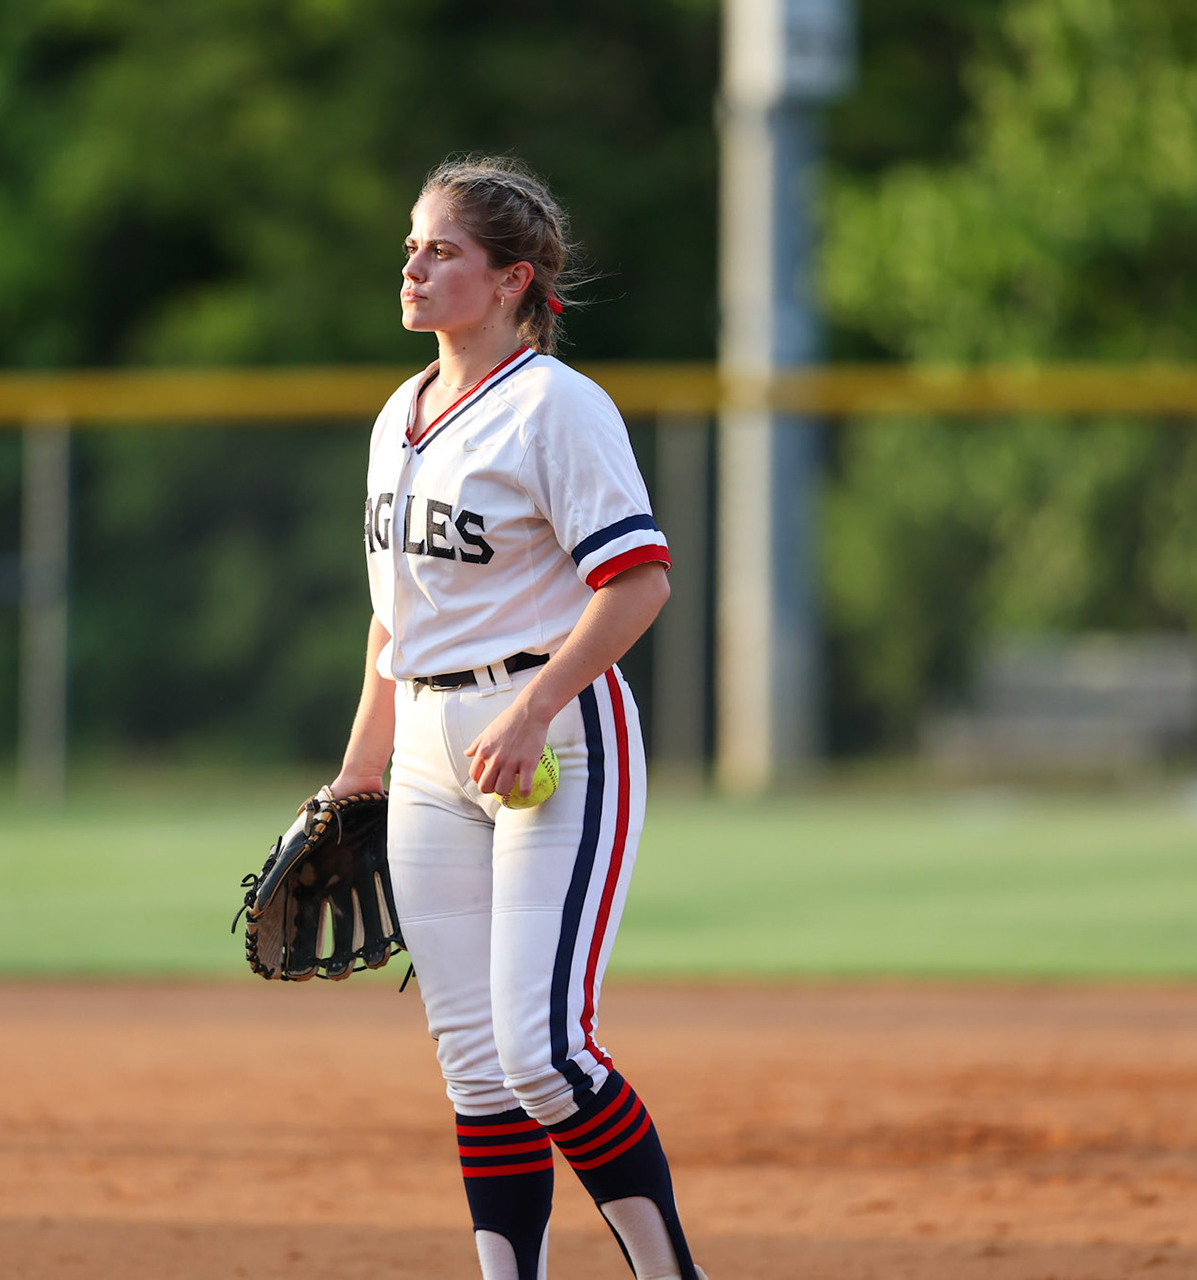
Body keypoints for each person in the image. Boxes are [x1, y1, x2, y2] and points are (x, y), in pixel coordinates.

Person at [327, 155, 708, 1280]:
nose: (413, 265)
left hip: (558, 734)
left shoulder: (556, 407)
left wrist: (538, 707)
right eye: (412, 244)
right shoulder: (398, 414)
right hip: (430, 749)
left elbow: (638, 582)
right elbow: (394, 618)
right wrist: (361, 769)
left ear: (511, 280)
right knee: (477, 1072)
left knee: (543, 1055)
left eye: (442, 250)